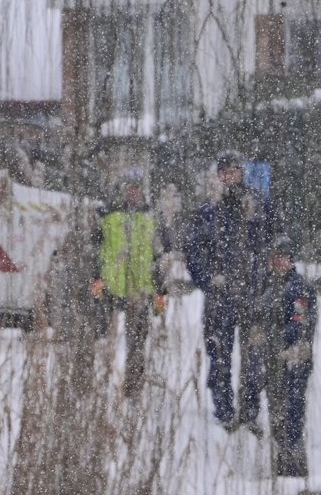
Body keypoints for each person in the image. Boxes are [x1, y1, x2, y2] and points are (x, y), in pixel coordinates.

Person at [183, 149, 275, 430]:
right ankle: (224, 411)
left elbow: (275, 243)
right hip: (220, 299)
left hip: (253, 295)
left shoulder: (257, 205)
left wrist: (264, 277)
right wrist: (209, 279)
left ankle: (249, 412)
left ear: (241, 173)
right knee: (219, 355)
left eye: (233, 171)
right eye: (224, 172)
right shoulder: (209, 211)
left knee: (254, 358)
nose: (229, 176)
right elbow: (193, 249)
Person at [91, 170, 167, 395]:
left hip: (140, 290)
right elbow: (95, 253)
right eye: (128, 187)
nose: (133, 192)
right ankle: (102, 387)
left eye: (137, 187)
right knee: (102, 341)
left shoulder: (152, 218)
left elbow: (160, 258)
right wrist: (97, 290)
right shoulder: (107, 216)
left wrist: (160, 301)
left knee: (137, 344)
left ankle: (133, 388)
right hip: (110, 288)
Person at [263, 236, 316, 477]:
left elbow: (300, 322)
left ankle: (293, 462)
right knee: (278, 410)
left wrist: (279, 341)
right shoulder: (270, 286)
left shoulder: (299, 287)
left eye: (282, 257)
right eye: (275, 257)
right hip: (275, 360)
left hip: (294, 358)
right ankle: (283, 457)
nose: (278, 262)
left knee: (293, 408)